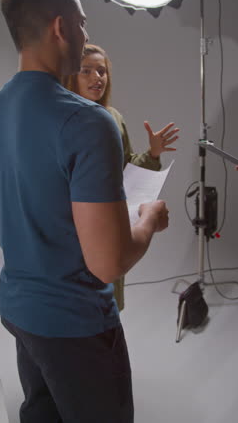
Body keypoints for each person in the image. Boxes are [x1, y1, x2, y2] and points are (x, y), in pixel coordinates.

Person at [0, 0, 169, 423]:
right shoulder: (89, 122)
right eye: (83, 22)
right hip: (76, 326)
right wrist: (148, 219)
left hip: (18, 312)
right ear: (61, 26)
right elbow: (107, 262)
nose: (86, 32)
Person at [62, 43, 179, 311]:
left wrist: (153, 152)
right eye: (86, 71)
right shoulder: (62, 119)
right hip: (74, 225)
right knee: (79, 303)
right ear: (70, 75)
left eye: (101, 71)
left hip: (111, 222)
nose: (97, 78)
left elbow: (126, 169)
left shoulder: (113, 118)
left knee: (108, 298)